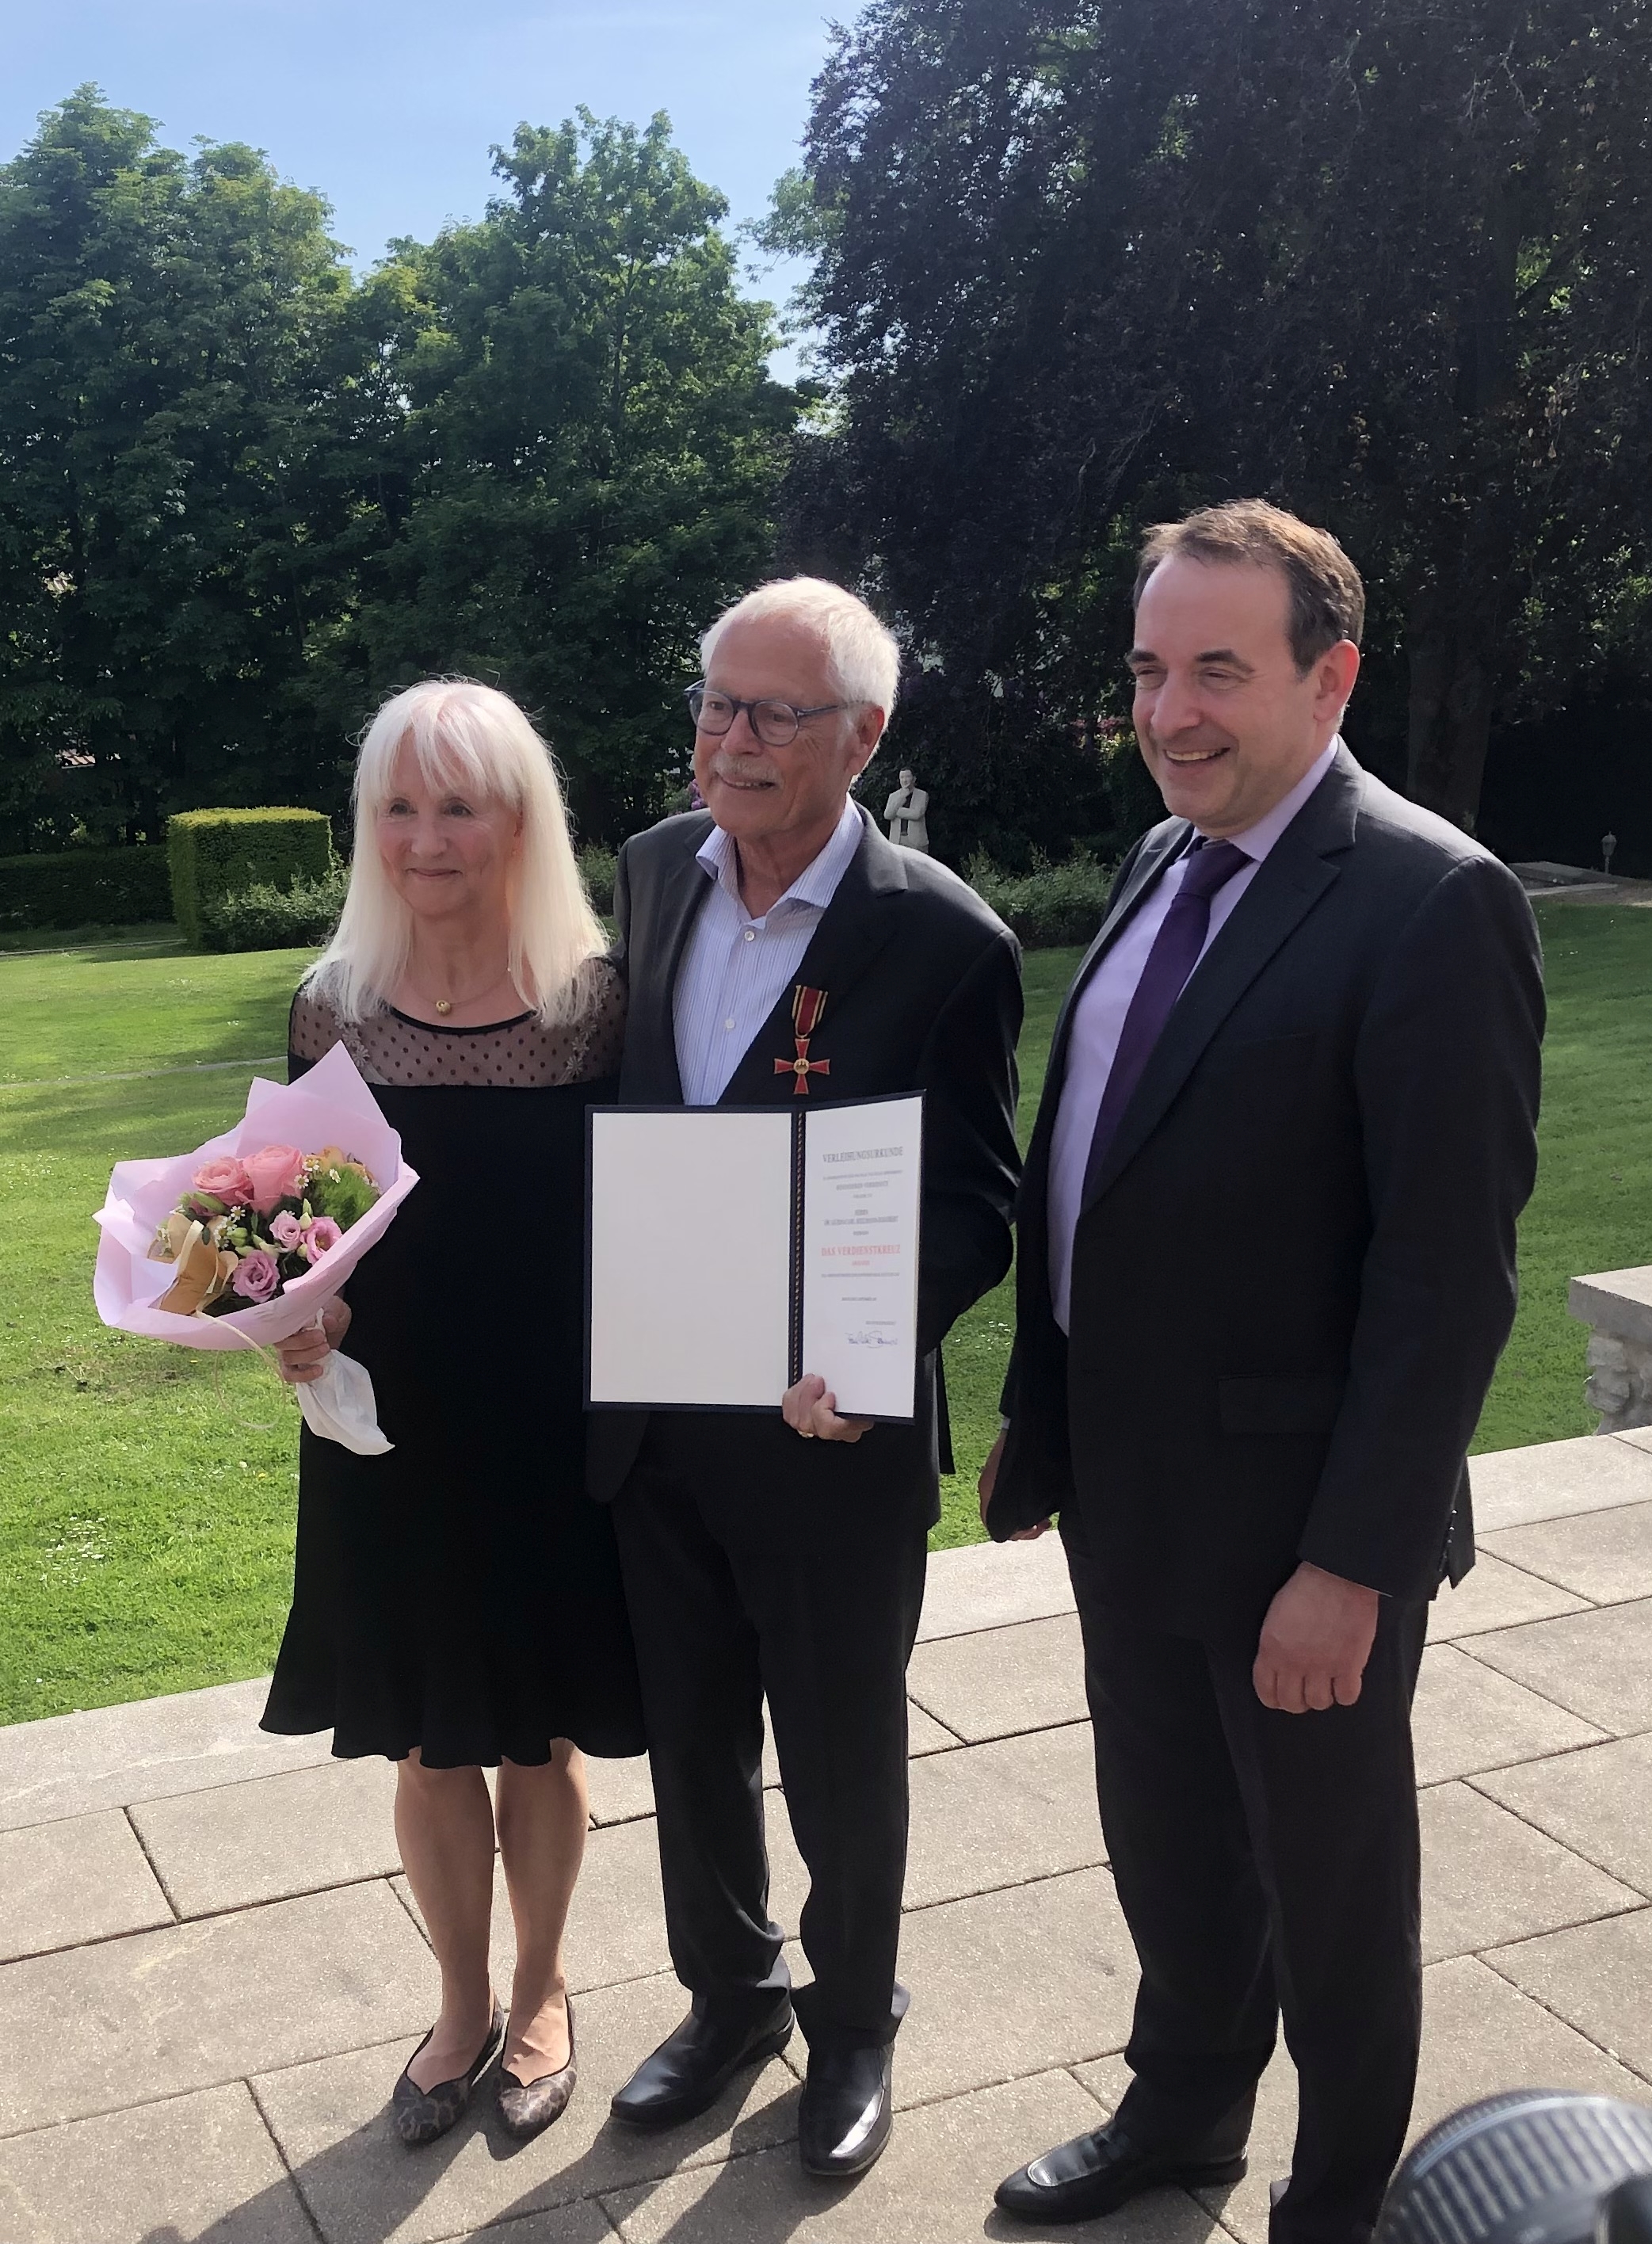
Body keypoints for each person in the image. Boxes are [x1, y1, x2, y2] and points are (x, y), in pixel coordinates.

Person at [979, 502, 1545, 2238]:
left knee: (1333, 1892)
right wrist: (1041, 1418)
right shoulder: (1163, 859)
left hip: (1301, 1533)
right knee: (1168, 1845)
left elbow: (1446, 1281)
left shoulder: (1433, 901)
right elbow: (1108, 1160)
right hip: (1129, 1495)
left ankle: (1345, 2193)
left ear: (1331, 676)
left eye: (1218, 670)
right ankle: (1183, 2113)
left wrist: (1352, 1564)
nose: (1171, 712)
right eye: (1150, 669)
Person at [587, 577, 1022, 2180]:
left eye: (776, 712)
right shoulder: (652, 871)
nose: (734, 739)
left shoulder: (945, 938)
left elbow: (977, 1202)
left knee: (842, 1757)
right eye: (717, 703)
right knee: (690, 1738)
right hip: (656, 1410)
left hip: (826, 1434)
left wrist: (864, 1340)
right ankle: (729, 1995)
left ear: (864, 734)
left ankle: (852, 2024)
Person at [267, 678, 646, 2149]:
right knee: (427, 1742)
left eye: (460, 806)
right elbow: (311, 1240)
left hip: (554, 1428)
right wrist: (296, 1320)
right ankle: (460, 2004)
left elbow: (650, 1229)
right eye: (399, 808)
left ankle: (544, 1996)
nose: (427, 839)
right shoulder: (331, 1008)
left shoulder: (598, 1007)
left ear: (522, 822)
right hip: (393, 1433)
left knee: (538, 1738)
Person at [883, 766, 930, 851]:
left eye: (908, 777)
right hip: (897, 840)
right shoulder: (893, 796)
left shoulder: (922, 795)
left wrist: (896, 811)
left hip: (916, 841)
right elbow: (888, 815)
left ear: (914, 779)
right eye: (902, 777)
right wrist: (902, 797)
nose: (905, 780)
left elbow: (917, 815)